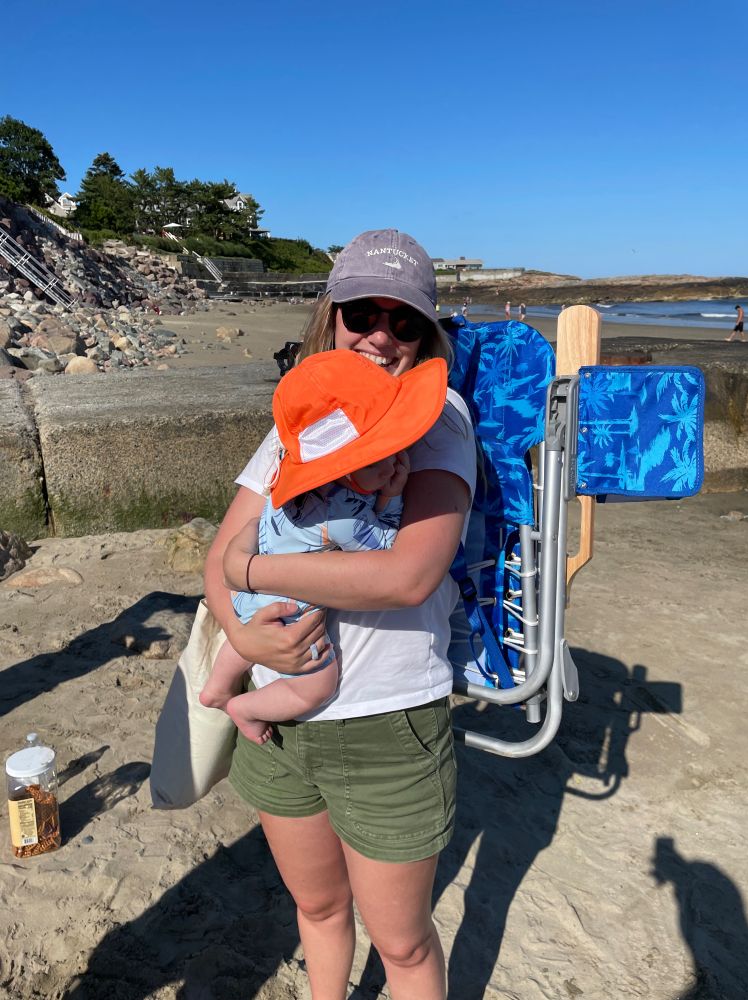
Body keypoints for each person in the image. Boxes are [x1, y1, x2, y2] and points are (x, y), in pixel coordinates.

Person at [203, 228, 477, 1000]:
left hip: (389, 721)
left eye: (405, 321)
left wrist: (252, 570)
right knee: (317, 908)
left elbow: (407, 576)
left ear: (426, 336)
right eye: (363, 313)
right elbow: (215, 554)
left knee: (403, 943)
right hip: (281, 723)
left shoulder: (439, 418)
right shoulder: (299, 419)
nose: (380, 336)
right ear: (332, 316)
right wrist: (241, 629)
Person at [200, 348, 446, 746]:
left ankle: (219, 683)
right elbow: (384, 550)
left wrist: (240, 566)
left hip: (249, 601)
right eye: (376, 460)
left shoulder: (289, 484)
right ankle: (244, 707)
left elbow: (250, 524)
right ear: (343, 471)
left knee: (244, 635)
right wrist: (393, 497)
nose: (391, 464)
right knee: (318, 686)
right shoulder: (345, 518)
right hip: (288, 616)